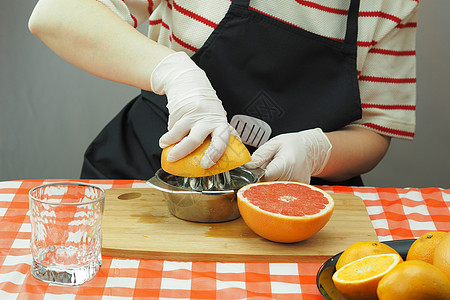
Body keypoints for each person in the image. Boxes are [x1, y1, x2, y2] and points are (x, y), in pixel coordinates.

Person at [28, 0, 418, 185]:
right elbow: (56, 13)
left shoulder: (389, 4)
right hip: (144, 172)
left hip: (287, 202)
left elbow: (376, 130)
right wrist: (175, 72)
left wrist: (315, 153)